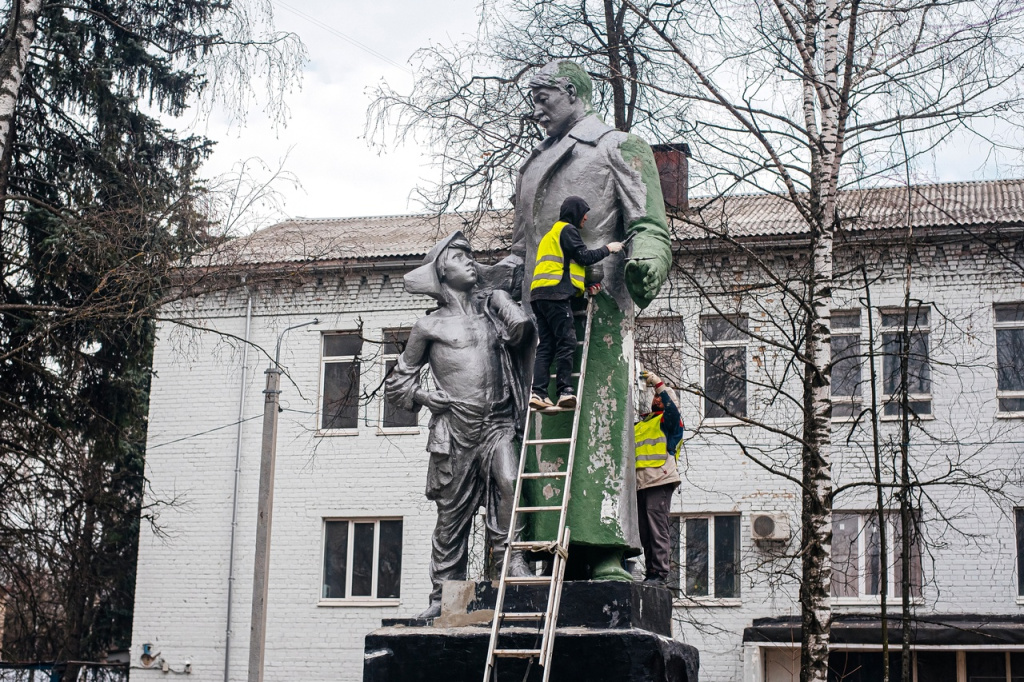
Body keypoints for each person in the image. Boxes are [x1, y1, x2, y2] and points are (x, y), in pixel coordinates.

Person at [508, 59, 673, 581]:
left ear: (575, 93)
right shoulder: (532, 164)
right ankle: (543, 546)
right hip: (543, 308)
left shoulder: (617, 146)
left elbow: (649, 223)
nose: (536, 108)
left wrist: (648, 258)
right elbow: (522, 247)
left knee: (597, 424)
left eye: (544, 96)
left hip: (596, 308)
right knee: (546, 422)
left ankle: (603, 547)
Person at [385, 231, 534, 618]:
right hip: (456, 429)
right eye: (459, 256)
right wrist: (423, 397)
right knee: (453, 518)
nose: (470, 260)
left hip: (498, 421)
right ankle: (443, 599)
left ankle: (510, 565)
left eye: (471, 255)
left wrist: (506, 302)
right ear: (441, 272)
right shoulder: (428, 327)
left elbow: (522, 333)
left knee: (510, 482)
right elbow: (398, 382)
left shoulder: (490, 309)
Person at [530, 195, 623, 410]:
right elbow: (583, 257)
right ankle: (564, 391)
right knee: (567, 341)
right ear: (575, 213)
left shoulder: (550, 235)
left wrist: (581, 289)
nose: (587, 218)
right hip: (555, 295)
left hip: (539, 295)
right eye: (584, 213)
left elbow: (565, 268)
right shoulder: (567, 230)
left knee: (546, 346)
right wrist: (609, 249)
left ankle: (539, 393)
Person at [634, 371, 684, 585]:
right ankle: (651, 572)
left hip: (659, 481)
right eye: (655, 396)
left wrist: (658, 384)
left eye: (661, 396)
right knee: (645, 532)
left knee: (657, 528)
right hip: (640, 483)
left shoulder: (670, 423)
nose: (657, 398)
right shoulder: (642, 424)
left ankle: (660, 574)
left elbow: (672, 410)